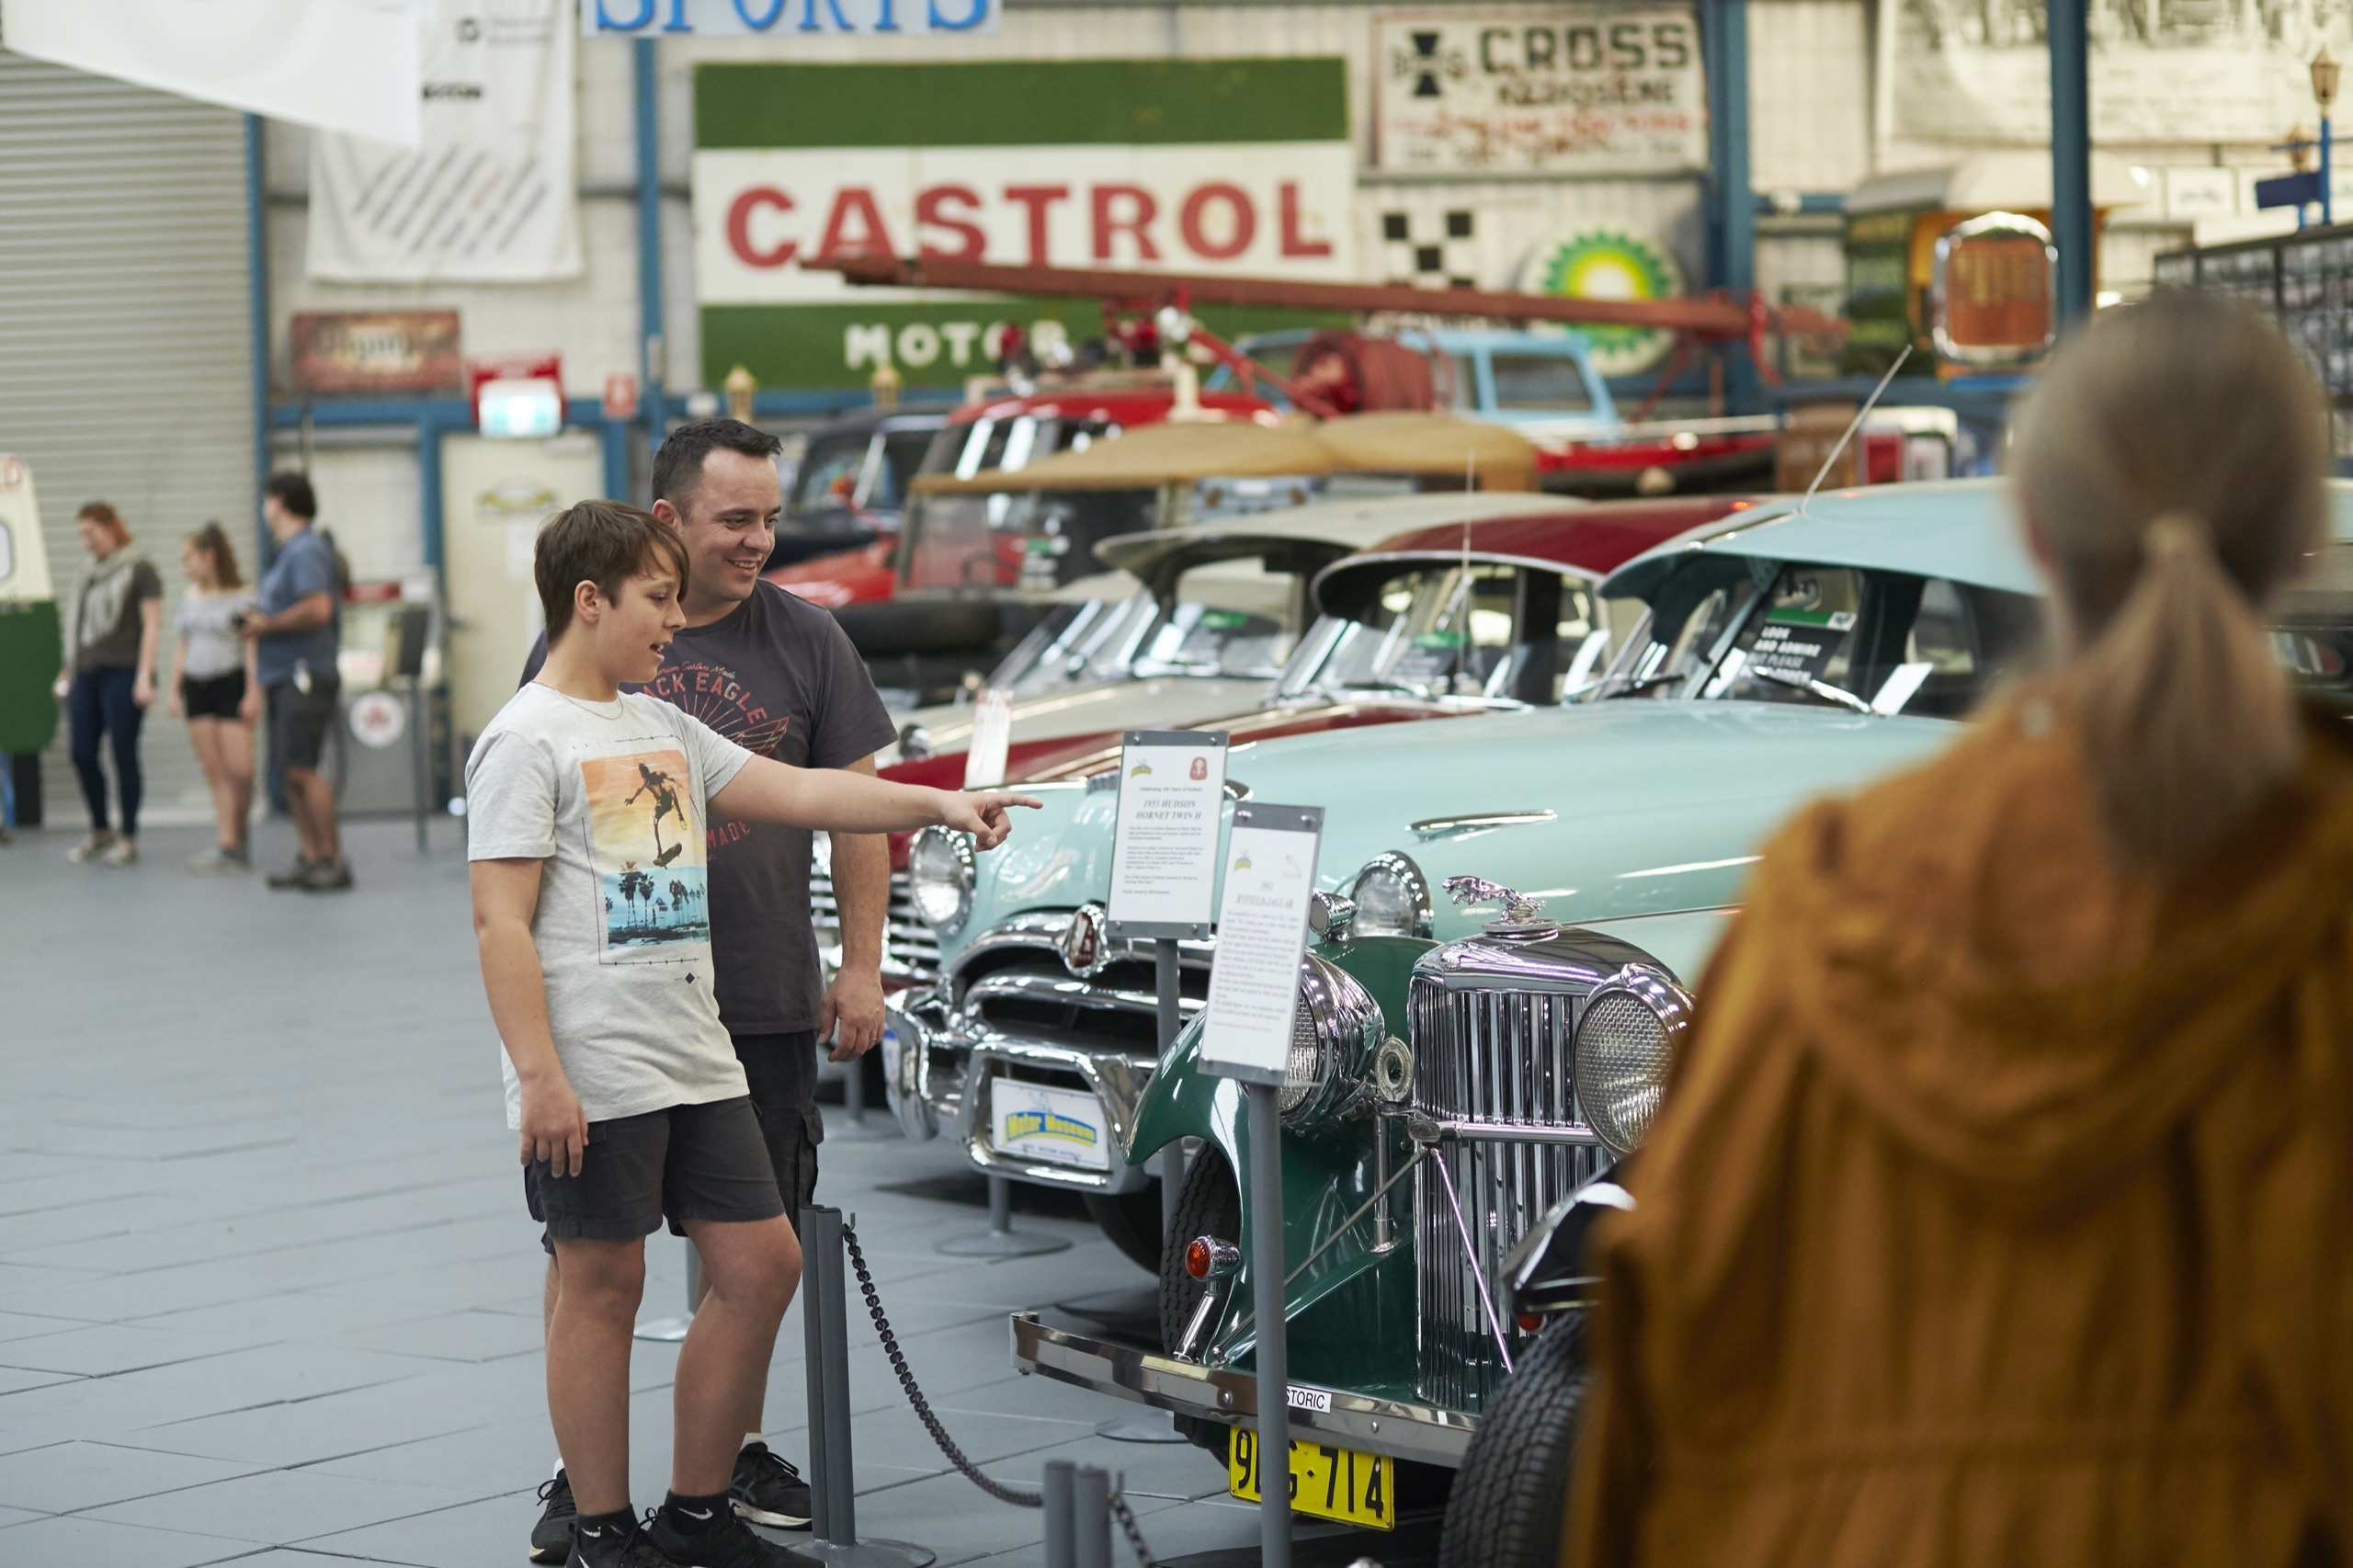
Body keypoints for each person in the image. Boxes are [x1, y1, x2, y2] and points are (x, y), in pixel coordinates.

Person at [1563, 294, 2353, 1565]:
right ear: (2302, 540)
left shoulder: (1818, 904)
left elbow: (1669, 1324)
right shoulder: (2321, 913)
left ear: (2034, 526)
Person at [466, 499, 1033, 1568]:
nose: (677, 620)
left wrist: (939, 805)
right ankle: (598, 1529)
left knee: (764, 1261)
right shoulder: (523, 739)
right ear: (589, 601)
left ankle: (695, 1512)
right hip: (592, 1062)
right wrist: (539, 1075)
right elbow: (499, 918)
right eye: (657, 597)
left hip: (694, 1050)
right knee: (604, 1284)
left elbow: (803, 787)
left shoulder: (661, 724)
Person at [520, 420, 899, 1560]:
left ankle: (716, 1462)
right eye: (737, 519)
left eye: (772, 517)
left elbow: (838, 802)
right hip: (625, 1016)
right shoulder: (593, 655)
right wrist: (541, 1051)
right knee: (595, 1258)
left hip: (763, 1001)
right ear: (668, 522)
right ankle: (580, 1488)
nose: (760, 540)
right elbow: (516, 876)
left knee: (754, 1249)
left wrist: (862, 961)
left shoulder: (807, 639)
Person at [242, 472, 349, 892]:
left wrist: (267, 625)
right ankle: (311, 856)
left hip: (304, 673)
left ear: (280, 502)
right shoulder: (285, 553)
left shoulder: (306, 550)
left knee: (304, 769)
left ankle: (333, 859)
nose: (263, 509)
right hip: (283, 673)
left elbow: (319, 607)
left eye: (266, 500)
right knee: (289, 771)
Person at [53, 501, 162, 866]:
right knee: (82, 753)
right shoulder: (87, 572)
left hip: (124, 671)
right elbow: (78, 624)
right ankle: (101, 830)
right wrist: (69, 669)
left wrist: (145, 674)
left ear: (112, 527)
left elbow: (152, 625)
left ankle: (128, 836)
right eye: (82, 534)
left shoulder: (139, 569)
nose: (87, 542)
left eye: (92, 532)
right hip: (87, 671)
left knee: (123, 752)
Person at [167, 522, 261, 872]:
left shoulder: (243, 597)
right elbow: (183, 646)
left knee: (242, 770)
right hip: (198, 686)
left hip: (231, 684)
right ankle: (228, 843)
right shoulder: (190, 598)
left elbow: (253, 647)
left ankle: (241, 828)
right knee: (216, 772)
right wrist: (174, 690)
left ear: (209, 557)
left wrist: (254, 691)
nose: (184, 568)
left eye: (188, 559)